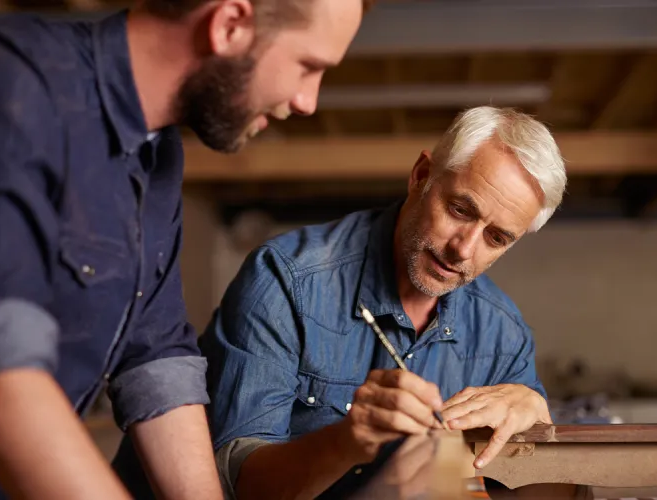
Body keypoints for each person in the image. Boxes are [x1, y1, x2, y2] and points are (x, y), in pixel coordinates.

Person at [0, 0, 369, 498]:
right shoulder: (9, 80)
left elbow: (155, 358)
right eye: (310, 67)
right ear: (229, 24)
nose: (308, 101)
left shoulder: (157, 155)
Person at [196, 106, 568, 499]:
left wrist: (536, 419)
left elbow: (515, 487)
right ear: (421, 176)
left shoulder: (502, 333)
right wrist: (345, 442)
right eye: (460, 210)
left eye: (496, 239)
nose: (463, 250)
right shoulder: (286, 281)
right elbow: (240, 486)